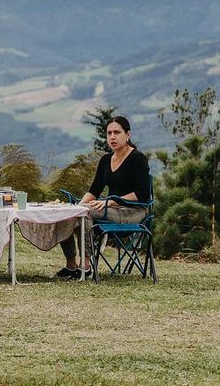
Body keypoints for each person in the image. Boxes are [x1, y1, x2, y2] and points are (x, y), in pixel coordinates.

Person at [55, 115, 150, 279]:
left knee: (87, 212)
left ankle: (86, 266)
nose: (112, 137)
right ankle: (71, 265)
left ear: (128, 135)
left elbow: (142, 193)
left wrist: (110, 201)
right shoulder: (106, 160)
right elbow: (95, 189)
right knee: (70, 212)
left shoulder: (137, 158)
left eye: (117, 132)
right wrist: (76, 207)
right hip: (111, 208)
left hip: (133, 211)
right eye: (109, 133)